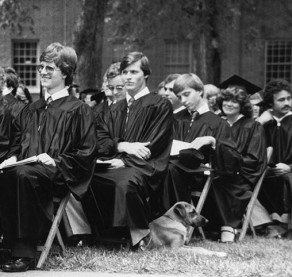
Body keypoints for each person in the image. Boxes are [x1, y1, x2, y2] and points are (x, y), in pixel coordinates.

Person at [0, 42, 97, 272]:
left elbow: (87, 152)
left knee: (22, 176)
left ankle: (24, 252)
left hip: (57, 175)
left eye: (49, 68)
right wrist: (11, 158)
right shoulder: (32, 109)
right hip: (27, 171)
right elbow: (17, 143)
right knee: (10, 172)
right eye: (40, 67)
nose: (42, 72)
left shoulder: (79, 109)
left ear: (65, 72)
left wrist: (56, 160)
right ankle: (5, 245)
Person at [85, 52, 173, 249]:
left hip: (146, 167)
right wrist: (120, 146)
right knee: (85, 177)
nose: (128, 77)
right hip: (113, 163)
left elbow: (154, 144)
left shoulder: (160, 105)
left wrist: (124, 161)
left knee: (125, 181)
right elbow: (99, 138)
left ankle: (139, 236)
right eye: (125, 72)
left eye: (134, 72)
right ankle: (102, 235)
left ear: (146, 75)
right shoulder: (114, 108)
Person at [160, 74, 240, 237]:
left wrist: (212, 140)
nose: (183, 100)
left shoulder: (218, 122)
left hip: (198, 175)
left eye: (187, 94)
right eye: (179, 96)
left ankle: (174, 227)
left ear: (200, 91)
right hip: (174, 168)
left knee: (169, 171)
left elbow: (233, 157)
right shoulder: (176, 118)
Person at [209, 87, 267, 242]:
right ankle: (210, 228)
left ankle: (227, 228)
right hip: (216, 173)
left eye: (234, 101)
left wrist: (230, 165)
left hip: (241, 176)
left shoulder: (253, 126)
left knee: (221, 183)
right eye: (226, 100)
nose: (228, 104)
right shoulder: (217, 124)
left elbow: (254, 159)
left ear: (242, 105)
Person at [257, 79, 292, 239]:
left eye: (289, 98)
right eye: (281, 99)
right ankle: (270, 224)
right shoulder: (266, 123)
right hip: (269, 171)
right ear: (270, 103)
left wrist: (290, 166)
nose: (287, 102)